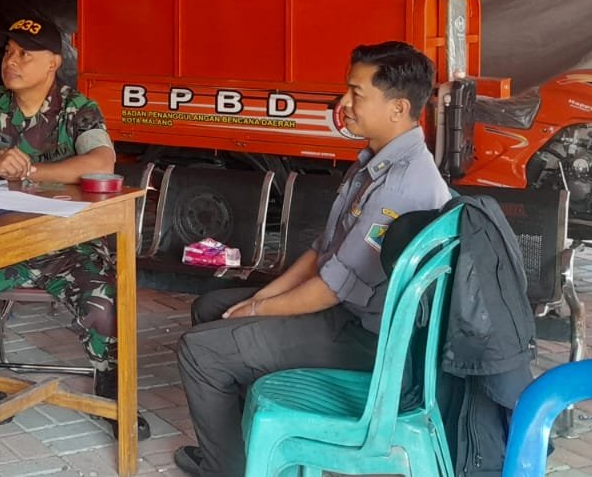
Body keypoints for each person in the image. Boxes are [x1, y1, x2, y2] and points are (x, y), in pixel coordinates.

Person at [172, 41, 453, 477]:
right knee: (211, 307)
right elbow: (321, 251)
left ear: (398, 108)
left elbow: (329, 290)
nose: (344, 103)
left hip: (369, 340)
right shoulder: (376, 163)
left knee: (200, 352)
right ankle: (246, 451)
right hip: (347, 312)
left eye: (356, 93)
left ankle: (227, 469)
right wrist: (259, 300)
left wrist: (257, 311)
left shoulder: (401, 186)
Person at [0, 14, 149, 439]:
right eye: (8, 52)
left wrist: (33, 170)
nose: (11, 61)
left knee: (106, 303)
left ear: (53, 62)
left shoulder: (77, 109)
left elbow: (102, 161)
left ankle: (112, 391)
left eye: (25, 54)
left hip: (69, 247)